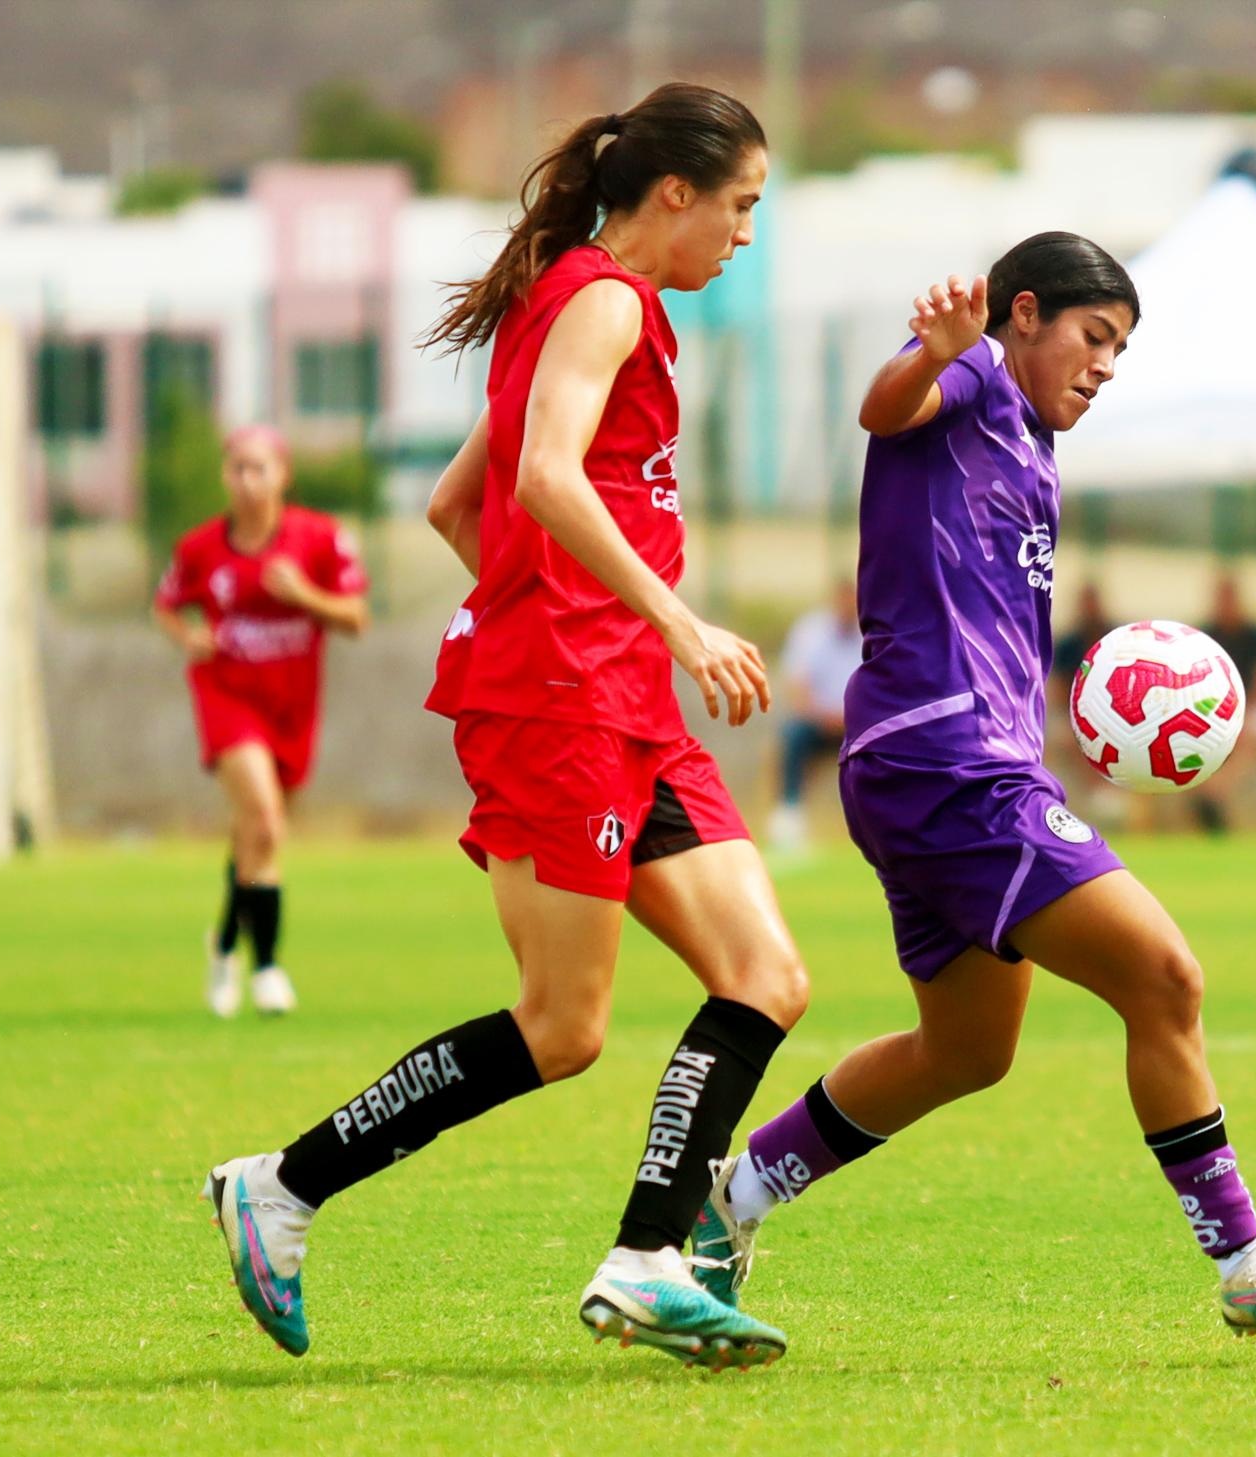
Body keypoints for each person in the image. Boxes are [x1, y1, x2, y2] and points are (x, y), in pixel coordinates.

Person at [202, 83, 810, 1373]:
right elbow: (536, 479)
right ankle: (282, 1185)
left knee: (764, 979)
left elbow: (450, 504)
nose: (746, 233)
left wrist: (550, 613)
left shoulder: (572, 299)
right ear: (674, 195)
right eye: (742, 205)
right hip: (571, 704)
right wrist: (668, 622)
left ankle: (645, 1259)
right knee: (560, 1025)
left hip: (607, 695)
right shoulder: (603, 300)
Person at [685, 235, 1256, 1336]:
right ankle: (1243, 1259)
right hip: (946, 759)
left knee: (965, 1051)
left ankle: (730, 1198)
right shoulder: (973, 371)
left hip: (939, 761)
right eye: (1095, 337)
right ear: (1023, 313)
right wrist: (933, 351)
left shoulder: (1033, 444)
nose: (1104, 365)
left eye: (1120, 351)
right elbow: (884, 408)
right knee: (1163, 978)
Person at [153, 425, 369, 1019]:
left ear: (283, 474)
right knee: (266, 822)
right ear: (225, 475)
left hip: (292, 705)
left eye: (259, 468)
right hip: (227, 697)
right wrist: (187, 635)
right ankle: (268, 969)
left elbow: (355, 617)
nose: (247, 481)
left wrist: (305, 596)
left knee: (254, 835)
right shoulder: (201, 548)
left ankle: (224, 945)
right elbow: (166, 604)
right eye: (236, 469)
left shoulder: (320, 539)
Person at [767, 580, 862, 850]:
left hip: (859, 726)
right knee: (793, 737)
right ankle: (789, 814)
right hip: (818, 723)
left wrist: (853, 718)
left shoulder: (871, 633)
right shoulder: (810, 632)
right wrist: (824, 717)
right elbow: (797, 686)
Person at [1194, 574, 1256, 835]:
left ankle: (1215, 793)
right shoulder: (1206, 635)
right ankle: (1211, 795)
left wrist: (1239, 712)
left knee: (1253, 730)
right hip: (1214, 712)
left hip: (1252, 710)